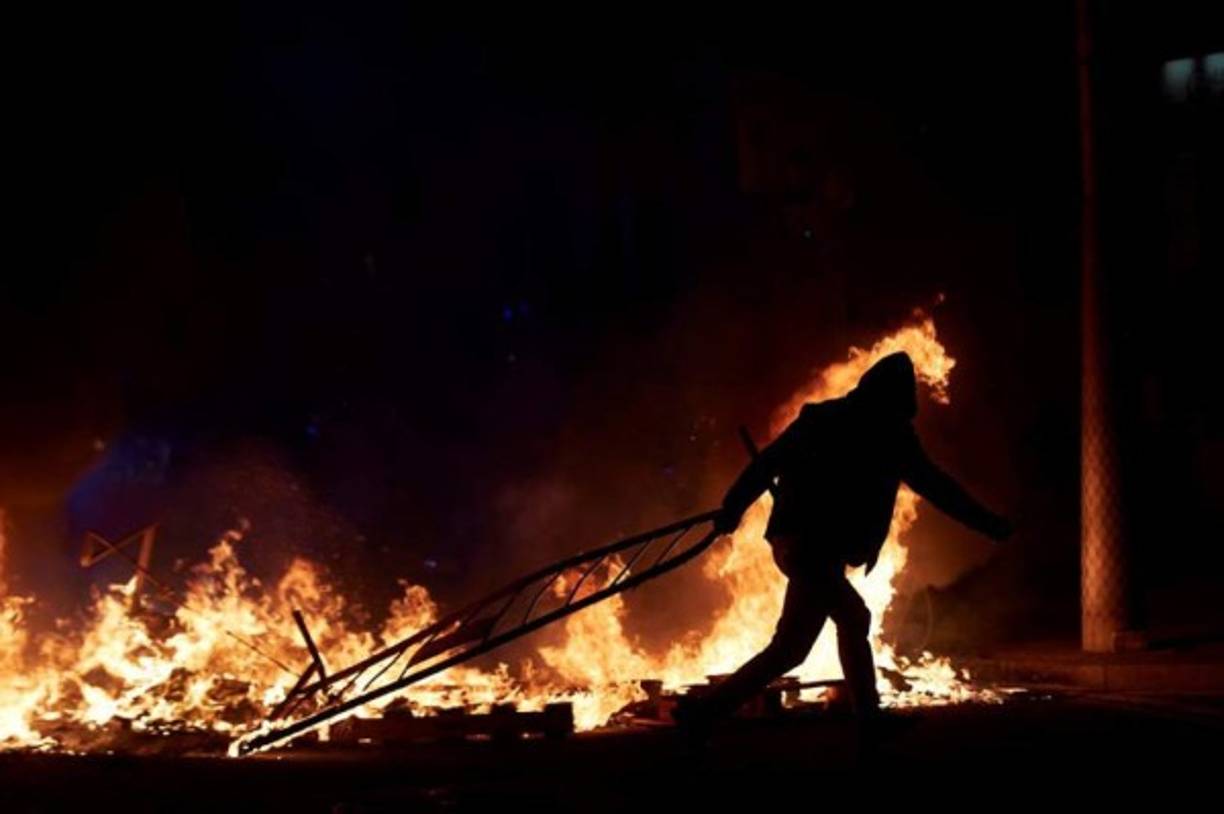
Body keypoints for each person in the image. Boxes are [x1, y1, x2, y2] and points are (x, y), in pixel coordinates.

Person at [676, 351, 1012, 736]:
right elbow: (938, 488)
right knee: (845, 621)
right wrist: (732, 507)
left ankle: (705, 716)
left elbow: (767, 463)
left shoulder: (841, 423)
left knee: (794, 647)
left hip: (809, 546)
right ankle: (866, 720)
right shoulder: (867, 429)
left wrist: (734, 507)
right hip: (808, 547)